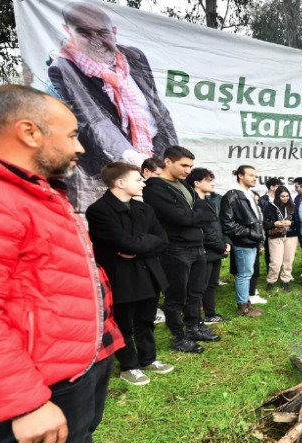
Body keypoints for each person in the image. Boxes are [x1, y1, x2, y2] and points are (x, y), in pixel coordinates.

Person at [0, 84, 142, 443]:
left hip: (72, 365)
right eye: (74, 134)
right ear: (29, 132)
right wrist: (23, 403)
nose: (81, 148)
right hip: (39, 380)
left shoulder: (32, 190)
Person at [48, 1, 178, 211]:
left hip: (153, 157)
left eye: (102, 32)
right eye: (84, 33)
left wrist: (171, 159)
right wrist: (135, 160)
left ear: (114, 32)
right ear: (67, 31)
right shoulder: (63, 67)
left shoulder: (135, 57)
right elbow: (94, 121)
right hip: (110, 167)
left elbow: (157, 109)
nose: (96, 41)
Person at [86, 162, 174, 387]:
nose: (143, 182)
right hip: (121, 277)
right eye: (138, 179)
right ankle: (129, 366)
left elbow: (162, 239)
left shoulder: (144, 208)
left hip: (149, 274)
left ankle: (148, 359)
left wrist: (135, 248)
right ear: (120, 182)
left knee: (146, 320)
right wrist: (138, 245)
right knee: (123, 324)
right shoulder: (99, 211)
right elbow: (123, 242)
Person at [144, 145, 217, 353]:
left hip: (196, 246)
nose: (188, 170)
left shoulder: (184, 185)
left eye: (191, 166)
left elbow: (207, 210)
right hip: (175, 249)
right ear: (168, 161)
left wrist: (195, 216)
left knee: (196, 291)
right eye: (184, 165)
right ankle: (178, 336)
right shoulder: (155, 188)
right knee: (176, 295)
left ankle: (194, 327)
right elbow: (182, 218)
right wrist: (196, 216)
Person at [186, 168, 231, 324]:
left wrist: (226, 242)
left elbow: (217, 226)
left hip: (216, 250)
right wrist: (221, 246)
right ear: (197, 183)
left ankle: (210, 314)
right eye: (209, 180)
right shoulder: (194, 204)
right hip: (205, 252)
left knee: (211, 285)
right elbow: (205, 230)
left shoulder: (208, 202)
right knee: (199, 287)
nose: (212, 183)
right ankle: (195, 320)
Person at [221, 165, 265, 316]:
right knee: (244, 274)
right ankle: (242, 307)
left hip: (251, 241)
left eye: (255, 175)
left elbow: (256, 220)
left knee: (248, 273)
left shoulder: (249, 194)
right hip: (243, 242)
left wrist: (259, 240)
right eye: (251, 175)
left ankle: (246, 303)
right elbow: (227, 223)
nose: (255, 178)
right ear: (240, 176)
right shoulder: (232, 195)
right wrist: (250, 234)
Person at [263, 186, 299, 292]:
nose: (285, 198)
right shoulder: (270, 207)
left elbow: (299, 221)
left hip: (291, 236)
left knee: (288, 260)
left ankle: (285, 280)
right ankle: (271, 281)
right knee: (276, 262)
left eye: (287, 196)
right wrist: (274, 223)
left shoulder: (293, 207)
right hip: (276, 236)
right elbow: (264, 223)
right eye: (283, 196)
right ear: (277, 196)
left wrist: (291, 223)